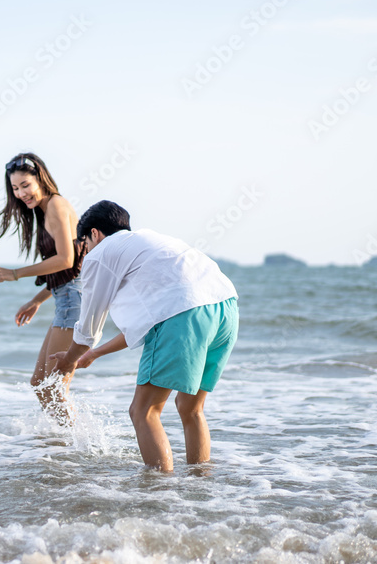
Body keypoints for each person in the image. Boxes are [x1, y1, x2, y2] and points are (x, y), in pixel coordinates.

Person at [51, 201, 238, 471]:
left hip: (184, 313)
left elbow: (87, 330)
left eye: (84, 244)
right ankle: (202, 492)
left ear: (94, 234)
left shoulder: (101, 253)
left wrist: (69, 360)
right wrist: (93, 355)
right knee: (191, 408)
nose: (85, 252)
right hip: (225, 306)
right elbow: (150, 324)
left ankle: (160, 498)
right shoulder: (147, 244)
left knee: (143, 411)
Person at [0, 153, 86, 423]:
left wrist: (16, 274)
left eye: (25, 185)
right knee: (40, 384)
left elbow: (66, 260)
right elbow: (70, 270)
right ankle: (70, 444)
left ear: (40, 179)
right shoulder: (45, 210)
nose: (21, 194)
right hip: (66, 298)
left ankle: (75, 447)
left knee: (54, 386)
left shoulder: (56, 205)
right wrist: (37, 300)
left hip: (73, 302)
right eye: (15, 188)